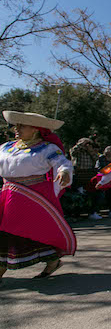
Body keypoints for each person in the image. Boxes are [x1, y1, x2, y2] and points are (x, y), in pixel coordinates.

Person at [0, 111, 76, 280]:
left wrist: (64, 172)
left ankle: (2, 266)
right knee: (10, 229)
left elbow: (62, 163)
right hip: (7, 195)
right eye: (16, 125)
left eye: (22, 125)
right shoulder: (6, 147)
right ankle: (53, 261)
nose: (16, 129)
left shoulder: (47, 148)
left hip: (32, 197)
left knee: (17, 230)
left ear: (35, 129)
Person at [70, 137, 102, 220]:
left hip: (89, 174)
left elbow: (96, 158)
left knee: (92, 194)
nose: (87, 145)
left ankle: (92, 212)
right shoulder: (77, 151)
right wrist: (81, 144)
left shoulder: (91, 151)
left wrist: (90, 150)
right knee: (77, 195)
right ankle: (75, 214)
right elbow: (73, 153)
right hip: (78, 174)